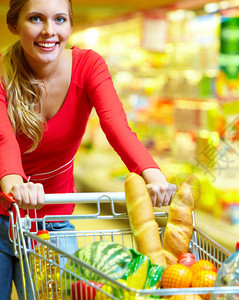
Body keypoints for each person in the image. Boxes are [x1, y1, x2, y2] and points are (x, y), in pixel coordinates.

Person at [0, 0, 178, 298]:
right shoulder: (2, 76)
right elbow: (3, 139)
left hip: (53, 223)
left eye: (60, 19)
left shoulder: (88, 66)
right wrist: (16, 186)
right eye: (35, 19)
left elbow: (116, 125)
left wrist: (153, 175)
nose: (49, 31)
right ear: (13, 25)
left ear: (70, 25)